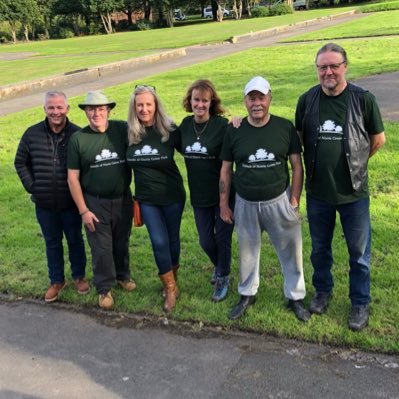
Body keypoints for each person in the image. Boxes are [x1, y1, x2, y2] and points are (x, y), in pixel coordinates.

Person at [295, 43, 385, 331]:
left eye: (334, 65)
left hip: (353, 194)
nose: (328, 72)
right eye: (322, 67)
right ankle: (322, 292)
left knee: (359, 254)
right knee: (320, 250)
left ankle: (360, 302)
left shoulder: (362, 99)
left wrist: (356, 162)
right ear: (317, 70)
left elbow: (378, 139)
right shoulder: (306, 100)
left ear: (345, 66)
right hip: (319, 193)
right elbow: (299, 138)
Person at [220, 76, 310, 322]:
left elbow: (296, 166)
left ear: (270, 98)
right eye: (252, 98)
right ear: (245, 101)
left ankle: (295, 297)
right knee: (247, 253)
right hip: (245, 203)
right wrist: (223, 204)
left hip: (279, 201)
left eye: (261, 97)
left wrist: (294, 199)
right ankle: (248, 294)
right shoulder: (234, 129)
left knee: (291, 252)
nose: (256, 103)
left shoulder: (284, 127)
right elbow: (226, 169)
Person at [14, 91, 88, 302]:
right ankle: (56, 280)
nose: (56, 112)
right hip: (44, 202)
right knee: (52, 242)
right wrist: (32, 186)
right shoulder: (32, 134)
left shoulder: (78, 134)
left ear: (67, 109)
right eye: (51, 107)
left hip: (70, 202)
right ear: (45, 109)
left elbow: (85, 166)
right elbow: (20, 162)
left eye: (59, 107)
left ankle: (79, 276)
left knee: (75, 240)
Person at [67, 91, 136, 310]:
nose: (96, 113)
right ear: (86, 111)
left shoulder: (122, 129)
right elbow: (72, 177)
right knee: (101, 247)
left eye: (101, 108)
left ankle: (122, 275)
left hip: (123, 198)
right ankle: (104, 288)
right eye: (91, 109)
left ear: (108, 110)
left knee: (121, 241)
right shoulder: (78, 139)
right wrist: (83, 210)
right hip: (95, 202)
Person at [126, 85, 185, 313]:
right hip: (147, 200)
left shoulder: (169, 130)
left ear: (156, 105)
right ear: (134, 107)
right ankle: (169, 288)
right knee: (159, 242)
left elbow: (193, 147)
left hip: (172, 196)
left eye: (148, 104)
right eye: (139, 104)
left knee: (172, 240)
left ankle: (174, 280)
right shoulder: (128, 133)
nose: (144, 108)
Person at [179, 79, 234, 302]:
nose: (200, 105)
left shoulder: (223, 126)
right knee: (205, 241)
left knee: (222, 238)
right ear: (189, 101)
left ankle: (223, 276)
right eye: (196, 100)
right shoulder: (184, 126)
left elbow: (228, 163)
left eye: (204, 101)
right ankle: (220, 266)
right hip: (199, 195)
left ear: (212, 103)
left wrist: (224, 203)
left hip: (225, 194)